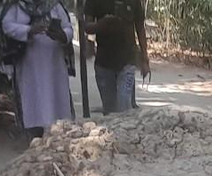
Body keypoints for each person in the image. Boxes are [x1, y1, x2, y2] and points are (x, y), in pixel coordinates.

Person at [1, 0, 74, 139]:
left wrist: (62, 35)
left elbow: (68, 28)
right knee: (33, 102)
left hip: (55, 64)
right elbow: (6, 26)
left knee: (57, 104)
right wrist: (29, 30)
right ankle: (35, 137)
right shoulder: (17, 6)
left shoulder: (54, 5)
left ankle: (57, 136)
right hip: (29, 65)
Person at [83, 0, 149, 114]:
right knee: (110, 110)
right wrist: (101, 25)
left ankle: (125, 130)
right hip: (104, 62)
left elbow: (140, 28)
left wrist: (144, 59)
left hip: (127, 61)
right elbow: (87, 27)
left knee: (124, 107)